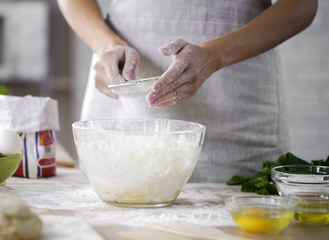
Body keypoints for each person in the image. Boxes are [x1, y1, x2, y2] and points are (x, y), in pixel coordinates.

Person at [57, 0, 318, 182]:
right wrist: (105, 46)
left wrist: (214, 56)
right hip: (127, 93)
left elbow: (302, 4)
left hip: (235, 94)